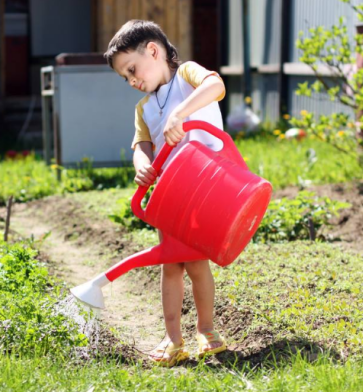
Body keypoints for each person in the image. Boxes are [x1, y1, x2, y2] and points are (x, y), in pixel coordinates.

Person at [104, 19, 228, 367]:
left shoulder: (187, 76)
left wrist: (181, 113)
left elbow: (216, 85)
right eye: (125, 77)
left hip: (205, 184)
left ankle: (206, 329)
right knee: (170, 262)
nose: (131, 80)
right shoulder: (143, 109)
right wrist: (140, 164)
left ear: (154, 51)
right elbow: (141, 145)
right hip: (170, 192)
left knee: (197, 261)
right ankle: (173, 339)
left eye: (132, 69)